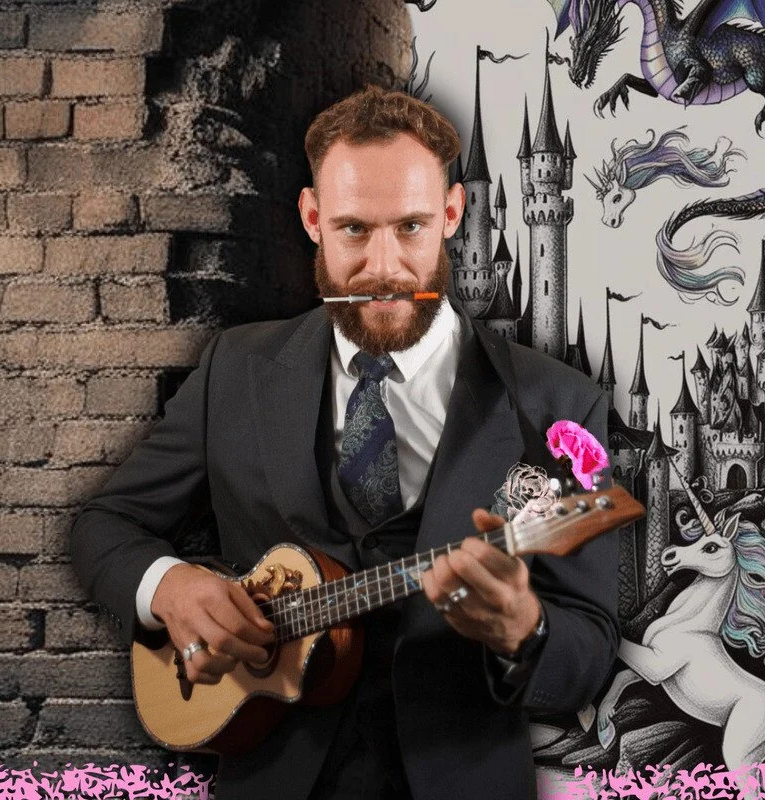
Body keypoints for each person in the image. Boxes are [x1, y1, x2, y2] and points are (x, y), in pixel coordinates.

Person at [70, 84, 619, 800]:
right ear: (311, 219)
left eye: (411, 227)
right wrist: (170, 587)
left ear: (454, 214)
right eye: (354, 229)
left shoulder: (560, 407)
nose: (384, 267)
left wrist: (528, 631)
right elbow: (105, 525)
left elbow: (591, 647)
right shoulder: (235, 370)